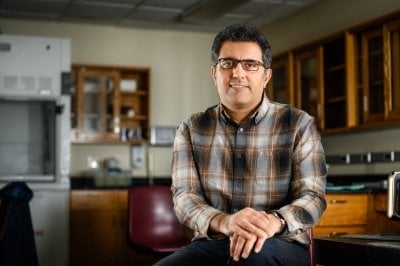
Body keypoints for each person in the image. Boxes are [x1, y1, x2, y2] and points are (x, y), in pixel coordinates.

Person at [155, 22, 327, 266]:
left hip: (279, 242)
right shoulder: (191, 128)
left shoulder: (298, 124)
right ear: (215, 73)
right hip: (213, 242)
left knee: (248, 260)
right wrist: (225, 222)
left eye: (250, 65)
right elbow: (185, 198)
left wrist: (272, 222)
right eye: (228, 63)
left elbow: (313, 197)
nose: (237, 73)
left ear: (266, 76)